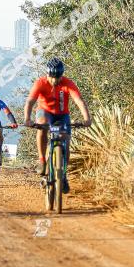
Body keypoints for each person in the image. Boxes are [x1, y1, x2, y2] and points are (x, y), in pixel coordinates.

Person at [23, 57, 91, 192]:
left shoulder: (68, 83)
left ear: (62, 75)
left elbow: (79, 101)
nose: (55, 80)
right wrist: (27, 119)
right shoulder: (40, 83)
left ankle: (63, 176)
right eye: (52, 77)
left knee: (66, 139)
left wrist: (87, 118)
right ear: (47, 74)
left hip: (62, 115)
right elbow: (30, 102)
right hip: (44, 112)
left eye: (58, 77)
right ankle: (42, 160)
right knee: (41, 126)